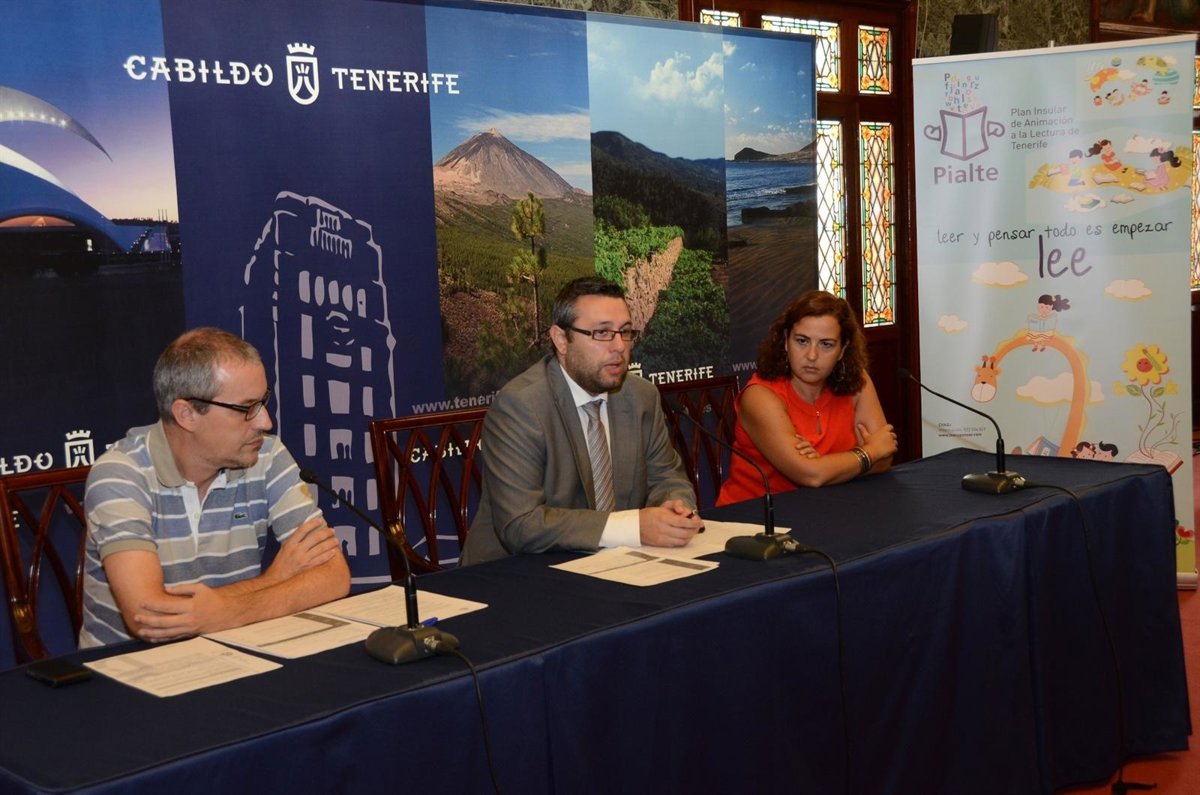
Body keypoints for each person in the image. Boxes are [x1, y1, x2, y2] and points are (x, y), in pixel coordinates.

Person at [79, 328, 350, 647]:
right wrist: (274, 580)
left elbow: (334, 576)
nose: (265, 422)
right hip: (130, 668)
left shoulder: (267, 455)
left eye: (263, 401)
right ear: (187, 414)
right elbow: (149, 617)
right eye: (246, 408)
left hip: (232, 655)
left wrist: (222, 611)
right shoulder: (120, 474)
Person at [461, 276, 702, 565]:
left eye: (625, 332)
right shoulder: (521, 406)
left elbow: (667, 477)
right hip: (515, 572)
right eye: (602, 333)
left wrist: (675, 506)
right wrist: (633, 527)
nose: (619, 347)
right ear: (561, 340)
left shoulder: (640, 396)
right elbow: (521, 524)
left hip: (616, 564)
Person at [716, 291, 896, 506]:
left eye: (826, 344)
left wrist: (824, 466)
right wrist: (870, 451)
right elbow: (812, 476)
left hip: (828, 507)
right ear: (786, 341)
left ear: (842, 350)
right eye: (802, 341)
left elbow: (885, 459)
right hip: (754, 515)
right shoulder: (760, 396)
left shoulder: (857, 382)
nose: (812, 356)